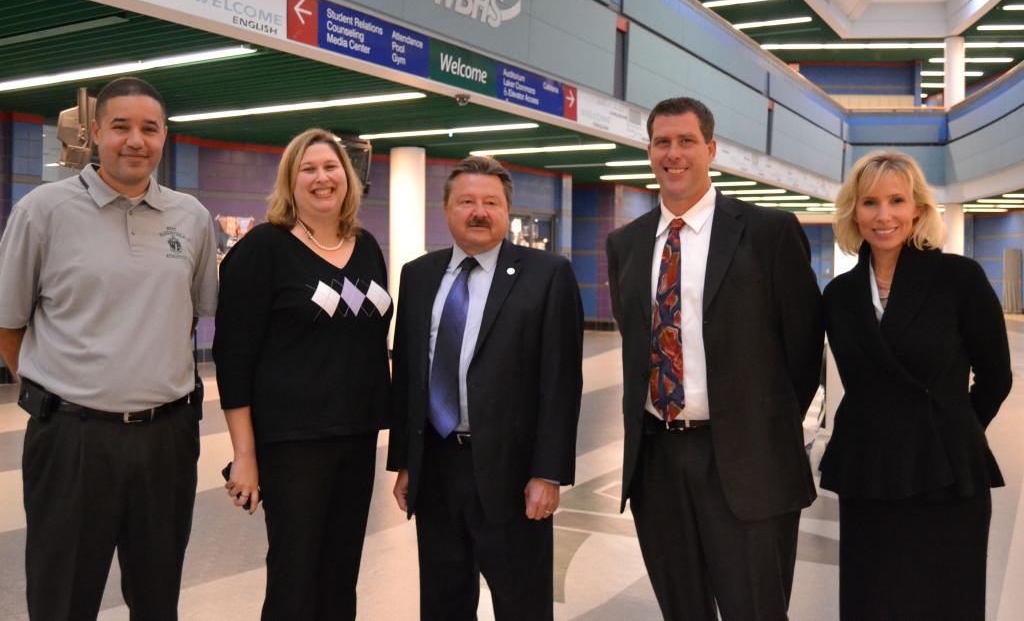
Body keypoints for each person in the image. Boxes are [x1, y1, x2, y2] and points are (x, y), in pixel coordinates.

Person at [0, 76, 218, 620]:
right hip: (71, 441)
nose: (135, 141)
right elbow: (9, 322)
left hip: (168, 440)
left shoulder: (190, 217)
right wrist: (56, 395)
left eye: (149, 129)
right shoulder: (43, 211)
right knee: (63, 597)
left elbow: (194, 311)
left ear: (165, 136)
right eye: (120, 127)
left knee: (156, 594)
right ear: (95, 132)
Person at [606, 96, 823, 620]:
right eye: (662, 142)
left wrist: (759, 426)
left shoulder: (768, 233)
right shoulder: (626, 245)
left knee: (756, 609)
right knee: (682, 609)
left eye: (686, 141)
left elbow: (804, 351)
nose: (673, 154)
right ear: (650, 150)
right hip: (657, 462)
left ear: (712, 149)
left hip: (748, 463)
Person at [387, 155, 583, 620]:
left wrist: (548, 474)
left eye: (491, 202)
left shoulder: (547, 275)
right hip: (436, 469)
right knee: (443, 602)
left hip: (514, 477)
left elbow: (561, 383)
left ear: (507, 211)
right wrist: (405, 463)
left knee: (522, 604)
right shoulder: (418, 275)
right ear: (447, 209)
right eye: (467, 201)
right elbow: (409, 375)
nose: (479, 211)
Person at [820, 151, 1011, 620]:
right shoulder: (839, 296)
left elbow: (996, 375)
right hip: (869, 468)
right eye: (869, 203)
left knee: (945, 598)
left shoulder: (958, 279)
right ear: (853, 212)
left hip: (945, 471)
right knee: (874, 598)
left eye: (896, 201)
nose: (883, 216)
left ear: (918, 210)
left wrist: (955, 427)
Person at [213, 128, 392, 620]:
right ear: (289, 183)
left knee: (340, 575)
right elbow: (234, 361)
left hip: (355, 438)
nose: (321, 178)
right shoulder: (262, 251)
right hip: (291, 444)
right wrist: (244, 456)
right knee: (295, 577)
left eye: (330, 167)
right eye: (307, 169)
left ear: (348, 178)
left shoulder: (367, 246)